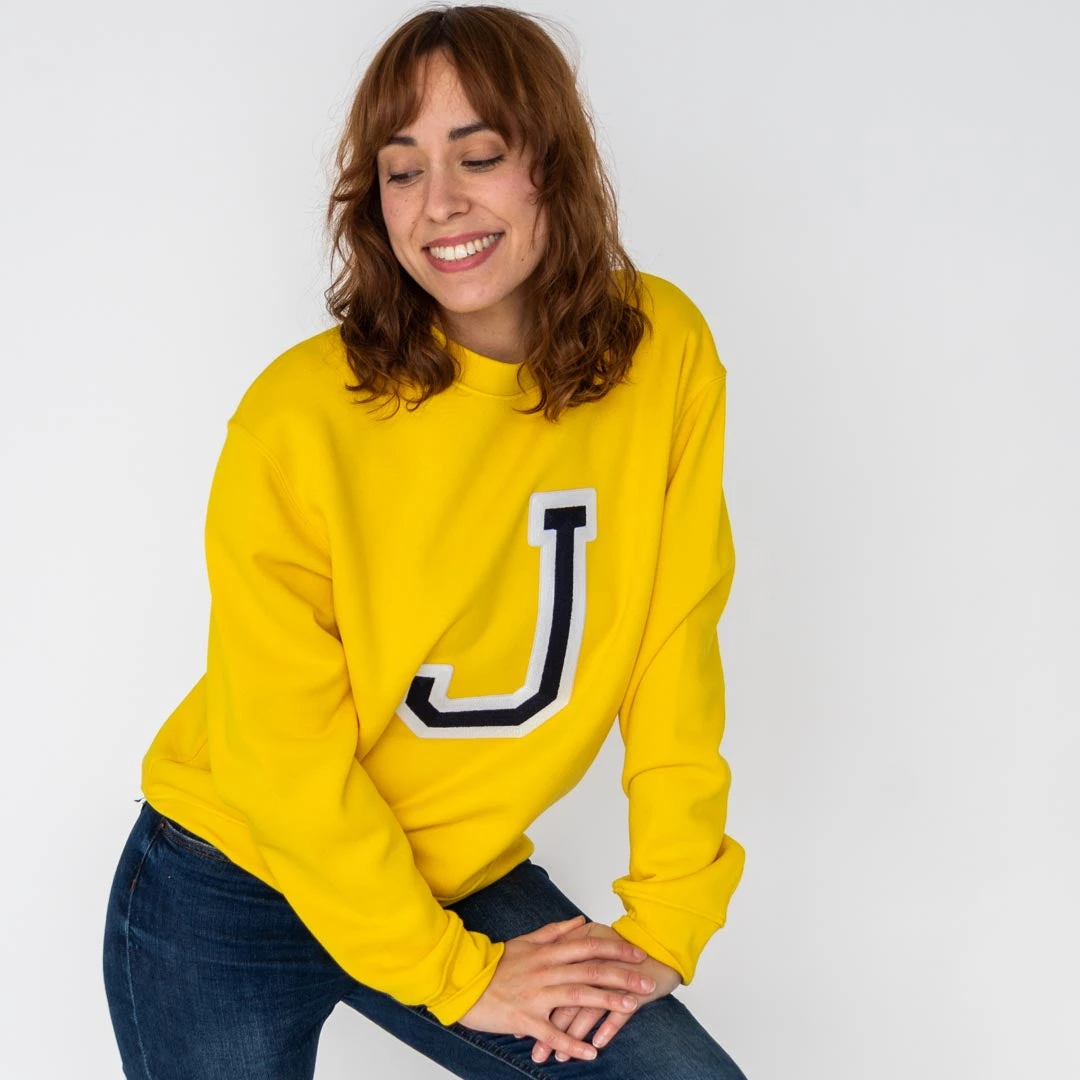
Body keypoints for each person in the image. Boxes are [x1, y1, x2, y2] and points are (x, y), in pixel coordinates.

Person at [102, 5, 748, 1078]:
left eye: (479, 156)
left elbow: (675, 639)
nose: (440, 202)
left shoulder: (661, 350)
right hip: (231, 885)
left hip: (456, 873)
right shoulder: (298, 417)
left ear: (553, 165)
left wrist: (669, 913)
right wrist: (452, 976)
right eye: (402, 171)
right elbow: (281, 751)